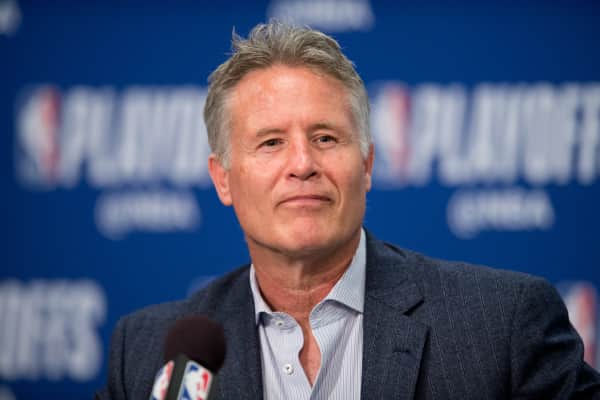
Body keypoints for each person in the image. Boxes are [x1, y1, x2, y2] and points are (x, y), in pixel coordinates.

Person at [96, 21, 600, 399]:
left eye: (325, 138)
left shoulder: (502, 326)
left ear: (367, 165)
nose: (302, 164)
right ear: (222, 178)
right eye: (271, 142)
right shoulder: (145, 352)